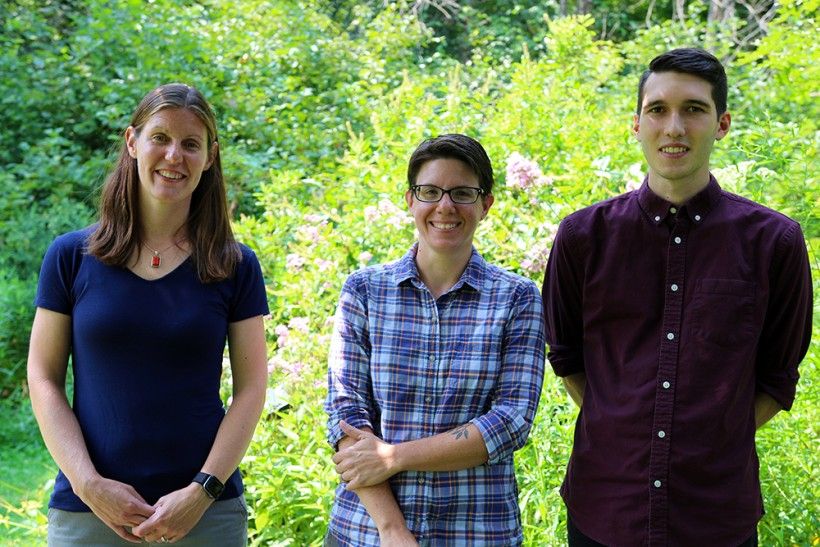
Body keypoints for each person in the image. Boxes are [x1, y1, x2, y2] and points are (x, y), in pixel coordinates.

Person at [542, 48, 813, 545]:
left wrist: (712, 434)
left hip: (715, 512)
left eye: (693, 109)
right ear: (636, 124)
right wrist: (626, 426)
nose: (674, 127)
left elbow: (778, 375)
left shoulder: (774, 242)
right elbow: (568, 358)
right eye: (658, 109)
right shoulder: (583, 237)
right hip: (605, 508)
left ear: (722, 123)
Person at [27, 83, 269, 546]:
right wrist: (89, 484)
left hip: (205, 516)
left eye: (190, 144)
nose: (174, 155)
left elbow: (252, 389)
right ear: (132, 142)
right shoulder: (70, 256)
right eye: (160, 137)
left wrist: (202, 491)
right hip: (90, 514)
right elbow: (42, 377)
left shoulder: (235, 265)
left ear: (210, 156)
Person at [324, 134, 546, 546]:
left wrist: (393, 457)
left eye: (462, 193)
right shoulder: (365, 291)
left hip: (477, 533)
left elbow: (511, 421)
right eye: (430, 192)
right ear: (410, 199)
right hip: (366, 534)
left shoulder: (517, 298)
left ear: (486, 204)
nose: (445, 207)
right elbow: (344, 412)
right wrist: (392, 530)